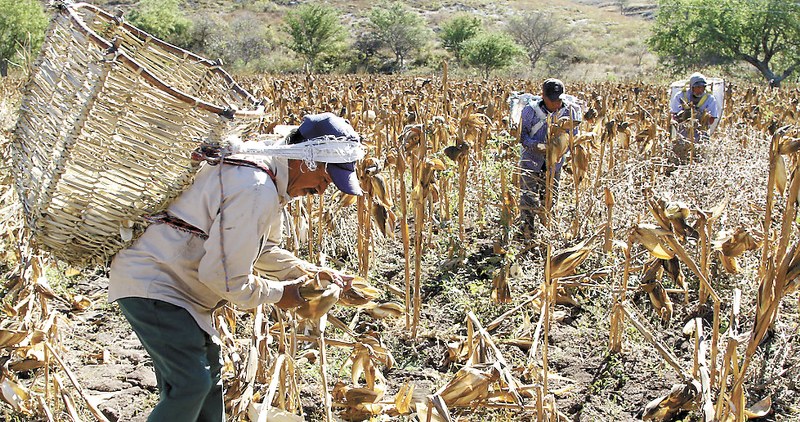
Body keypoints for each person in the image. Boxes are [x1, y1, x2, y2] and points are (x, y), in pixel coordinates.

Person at [108, 112, 364, 421]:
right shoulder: (257, 188)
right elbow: (224, 277)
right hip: (156, 282)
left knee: (206, 385)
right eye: (326, 178)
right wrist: (281, 294)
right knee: (191, 385)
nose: (323, 190)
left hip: (178, 288)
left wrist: (311, 275)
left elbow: (265, 249)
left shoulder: (268, 179)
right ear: (307, 161)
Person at [518, 78, 581, 237]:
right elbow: (522, 137)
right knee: (528, 199)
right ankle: (527, 232)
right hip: (531, 162)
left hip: (555, 165)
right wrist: (536, 145)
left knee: (550, 199)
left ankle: (547, 231)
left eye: (558, 99)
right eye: (551, 100)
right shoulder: (530, 111)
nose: (555, 103)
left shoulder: (571, 112)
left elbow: (573, 137)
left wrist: (559, 149)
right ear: (543, 96)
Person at [669, 73, 719, 163]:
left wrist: (700, 119)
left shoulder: (710, 99)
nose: (700, 90)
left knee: (700, 158)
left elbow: (712, 119)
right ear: (692, 87)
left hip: (701, 134)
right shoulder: (680, 96)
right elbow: (674, 115)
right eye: (698, 87)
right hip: (682, 134)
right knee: (681, 157)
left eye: (702, 87)